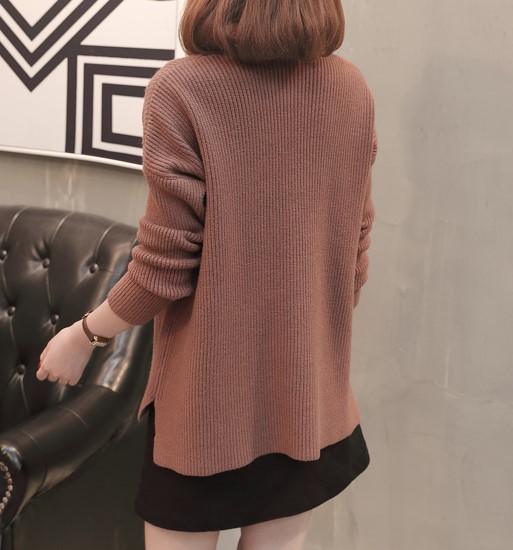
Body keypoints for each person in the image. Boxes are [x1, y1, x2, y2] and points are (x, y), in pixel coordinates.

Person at [36, 0, 378, 548]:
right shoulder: (349, 87)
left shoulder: (182, 88)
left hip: (207, 406)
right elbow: (353, 249)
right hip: (308, 397)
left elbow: (164, 266)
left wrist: (85, 335)